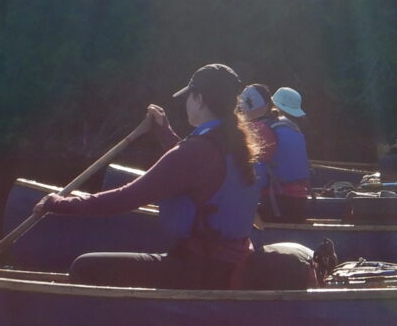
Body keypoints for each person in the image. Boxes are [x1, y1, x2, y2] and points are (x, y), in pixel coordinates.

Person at [39, 63, 263, 288]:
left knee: (85, 267)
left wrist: (58, 204)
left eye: (189, 97)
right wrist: (164, 133)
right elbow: (198, 170)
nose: (187, 103)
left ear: (199, 98)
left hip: (199, 270)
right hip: (227, 265)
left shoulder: (196, 151)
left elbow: (125, 198)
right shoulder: (238, 145)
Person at [243, 82, 311, 222]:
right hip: (300, 202)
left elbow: (257, 173)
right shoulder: (292, 128)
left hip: (276, 205)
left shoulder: (261, 129)